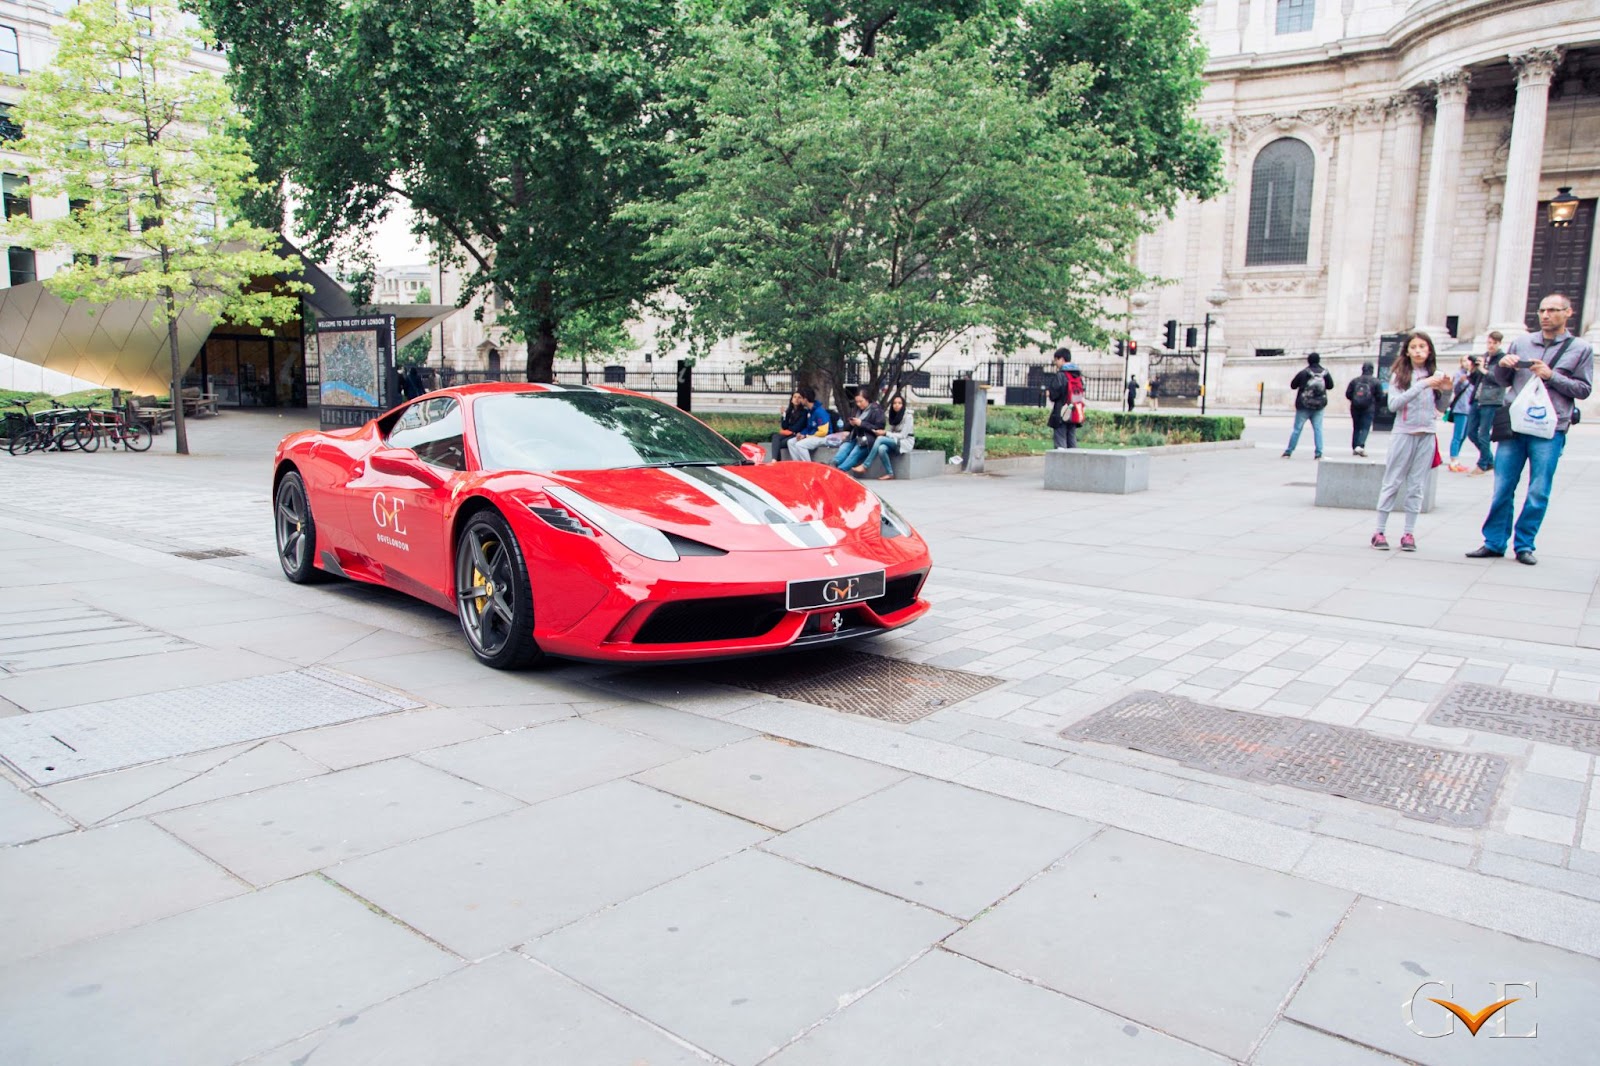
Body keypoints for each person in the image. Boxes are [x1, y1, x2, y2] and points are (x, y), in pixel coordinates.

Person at [1465, 293, 1594, 565]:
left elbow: (1583, 389)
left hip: (1550, 427)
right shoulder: (1522, 342)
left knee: (1538, 489)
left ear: (1568, 313)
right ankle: (1494, 542)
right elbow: (1500, 380)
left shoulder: (1580, 348)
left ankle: (1524, 544)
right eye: (1542, 310)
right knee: (1502, 486)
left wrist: (1552, 376)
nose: (1546, 315)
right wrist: (1501, 365)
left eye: (1553, 310)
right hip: (1514, 424)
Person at [1372, 332, 1450, 551]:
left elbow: (1441, 409)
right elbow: (1394, 405)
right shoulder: (1400, 375)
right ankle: (1379, 531)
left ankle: (1409, 533)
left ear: (1429, 351)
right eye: (1414, 347)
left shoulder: (1435, 374)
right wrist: (1422, 385)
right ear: (1407, 351)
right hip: (1404, 433)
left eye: (1423, 347)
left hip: (1427, 434)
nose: (1418, 351)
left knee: (1417, 486)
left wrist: (1446, 390)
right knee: (1392, 482)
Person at [1465, 331, 1505, 476]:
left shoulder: (1502, 359)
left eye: (1494, 343)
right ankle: (1489, 460)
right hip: (1477, 399)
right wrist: (1472, 370)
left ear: (1499, 343)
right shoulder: (1484, 357)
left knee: (1483, 434)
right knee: (1470, 432)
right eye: (1489, 342)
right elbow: (1475, 380)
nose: (1491, 346)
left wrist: (1484, 369)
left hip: (1491, 400)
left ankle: (1482, 464)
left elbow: (1500, 379)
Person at [1283, 352, 1333, 459]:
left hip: (1303, 406)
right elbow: (1331, 386)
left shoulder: (1303, 373)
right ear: (1319, 360)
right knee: (1318, 429)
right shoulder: (1325, 373)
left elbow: (1293, 385)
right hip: (1319, 406)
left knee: (1297, 429)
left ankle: (1289, 451)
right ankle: (1318, 453)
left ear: (1308, 360)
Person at [856, 394, 914, 479]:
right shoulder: (893, 415)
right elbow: (890, 431)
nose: (897, 405)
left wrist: (885, 433)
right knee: (882, 448)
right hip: (895, 441)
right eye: (894, 403)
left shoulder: (908, 416)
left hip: (905, 442)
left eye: (899, 403)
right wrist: (881, 432)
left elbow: (903, 435)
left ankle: (865, 465)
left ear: (903, 405)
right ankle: (890, 473)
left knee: (880, 439)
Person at [832, 391, 885, 472]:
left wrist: (862, 424)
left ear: (867, 400)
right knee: (844, 448)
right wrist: (851, 424)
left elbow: (879, 428)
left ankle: (840, 471)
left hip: (867, 440)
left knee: (854, 454)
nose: (859, 404)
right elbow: (847, 427)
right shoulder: (856, 409)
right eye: (857, 402)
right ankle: (832, 466)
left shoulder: (876, 410)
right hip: (854, 437)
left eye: (861, 401)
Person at [1046, 348, 1085, 449]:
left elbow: (1054, 395)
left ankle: (1061, 462)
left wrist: (1049, 393)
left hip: (1061, 411)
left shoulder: (1061, 375)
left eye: (1056, 360)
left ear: (1062, 359)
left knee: (1060, 439)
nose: (1056, 363)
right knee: (1071, 438)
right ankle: (1074, 462)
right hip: (1074, 411)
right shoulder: (1077, 375)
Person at [1444, 354, 1478, 471]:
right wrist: (1461, 382)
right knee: (1458, 435)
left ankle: (1456, 460)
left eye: (1468, 360)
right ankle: (1453, 460)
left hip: (1470, 408)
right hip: (1461, 408)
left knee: (1464, 435)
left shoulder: (1474, 374)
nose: (1467, 363)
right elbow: (1456, 390)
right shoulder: (1459, 374)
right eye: (1464, 360)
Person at [785, 386, 834, 462]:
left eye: (800, 398)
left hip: (824, 437)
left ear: (805, 399)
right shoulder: (810, 411)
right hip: (813, 436)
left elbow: (823, 432)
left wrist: (807, 436)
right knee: (791, 442)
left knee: (800, 445)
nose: (799, 400)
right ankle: (798, 465)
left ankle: (808, 466)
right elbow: (809, 428)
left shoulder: (819, 412)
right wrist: (801, 434)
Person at [1345, 361, 1381, 456]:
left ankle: (1355, 446)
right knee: (1365, 427)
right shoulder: (1376, 381)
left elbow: (1348, 394)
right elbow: (1380, 396)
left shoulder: (1355, 381)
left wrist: (1355, 400)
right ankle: (1360, 446)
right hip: (1369, 408)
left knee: (1356, 427)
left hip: (1355, 407)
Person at [772, 389, 810, 462]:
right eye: (794, 397)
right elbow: (784, 426)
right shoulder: (789, 411)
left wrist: (788, 429)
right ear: (791, 399)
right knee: (775, 436)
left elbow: (797, 428)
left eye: (799, 397)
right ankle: (774, 460)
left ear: (802, 399)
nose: (796, 399)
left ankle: (776, 461)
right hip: (789, 434)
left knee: (778, 443)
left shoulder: (804, 412)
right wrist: (783, 415)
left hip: (796, 435)